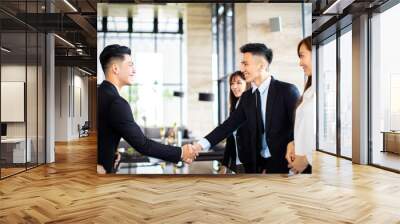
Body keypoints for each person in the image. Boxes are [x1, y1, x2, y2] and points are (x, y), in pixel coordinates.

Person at [188, 43, 300, 173]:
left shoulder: (287, 91)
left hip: (287, 165)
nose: (242, 69)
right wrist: (199, 146)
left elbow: (300, 127)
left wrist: (298, 152)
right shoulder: (247, 98)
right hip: (258, 167)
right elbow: (228, 126)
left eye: (245, 64)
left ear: (261, 65)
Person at [97, 44, 198, 174]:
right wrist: (181, 152)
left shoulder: (98, 94)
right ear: (115, 68)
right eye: (130, 65)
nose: (134, 70)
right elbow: (143, 144)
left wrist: (110, 155)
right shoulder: (117, 102)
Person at [285, 36, 315, 174]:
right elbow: (305, 127)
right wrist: (293, 143)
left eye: (302, 56)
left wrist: (307, 158)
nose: (300, 63)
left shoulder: (329, 90)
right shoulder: (309, 89)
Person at [219, 71, 250, 174]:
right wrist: (224, 164)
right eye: (232, 83)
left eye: (239, 83)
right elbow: (230, 138)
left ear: (247, 84)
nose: (234, 86)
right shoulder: (235, 108)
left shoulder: (252, 107)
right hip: (236, 163)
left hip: (250, 163)